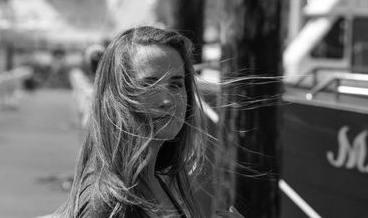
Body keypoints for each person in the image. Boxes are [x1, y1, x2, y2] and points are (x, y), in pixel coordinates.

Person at [51, 26, 243, 218]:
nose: (168, 101)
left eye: (176, 84)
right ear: (116, 98)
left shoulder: (161, 180)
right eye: (149, 85)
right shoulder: (108, 204)